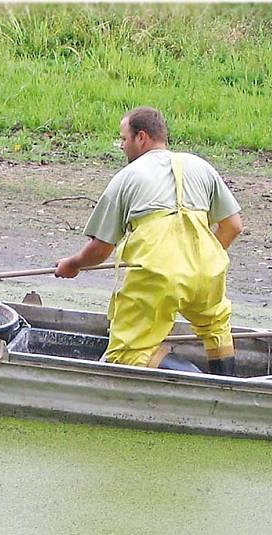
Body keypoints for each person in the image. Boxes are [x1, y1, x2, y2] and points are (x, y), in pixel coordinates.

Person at [55, 106, 243, 374]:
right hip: (208, 270)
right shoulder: (201, 166)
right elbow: (233, 226)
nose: (121, 146)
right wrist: (196, 259)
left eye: (123, 139)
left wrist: (72, 264)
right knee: (216, 328)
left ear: (141, 137)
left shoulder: (127, 177)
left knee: (125, 354)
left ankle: (196, 380)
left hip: (156, 272)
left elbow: (100, 250)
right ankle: (230, 387)